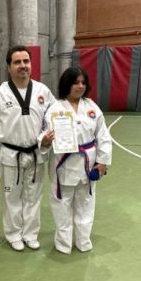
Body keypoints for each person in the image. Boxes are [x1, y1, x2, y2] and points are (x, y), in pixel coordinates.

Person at [0, 45, 56, 251]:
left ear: (31, 64)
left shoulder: (42, 91)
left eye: (26, 61)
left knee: (33, 196)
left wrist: (47, 137)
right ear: (8, 67)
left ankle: (30, 233)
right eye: (17, 62)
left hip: (36, 152)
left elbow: (54, 117)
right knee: (11, 197)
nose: (23, 66)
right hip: (11, 155)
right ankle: (13, 234)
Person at [40, 66, 112, 254]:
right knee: (62, 206)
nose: (80, 86)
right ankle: (63, 244)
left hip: (87, 164)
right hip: (63, 163)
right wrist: (45, 141)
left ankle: (83, 241)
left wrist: (103, 161)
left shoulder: (91, 107)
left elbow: (103, 136)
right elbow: (43, 135)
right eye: (75, 82)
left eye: (83, 83)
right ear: (66, 84)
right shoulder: (54, 108)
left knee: (86, 204)